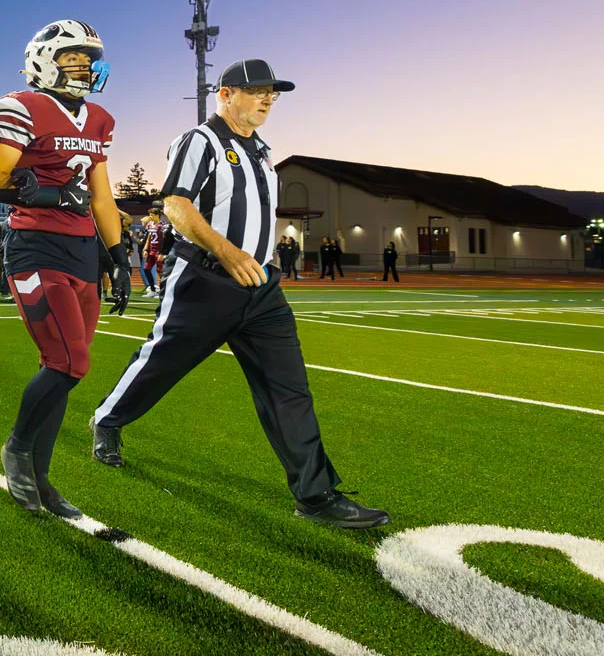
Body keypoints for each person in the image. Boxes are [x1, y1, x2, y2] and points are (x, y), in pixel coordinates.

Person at [88, 60, 389, 529]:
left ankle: (316, 495)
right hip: (206, 280)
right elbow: (175, 204)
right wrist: (227, 252)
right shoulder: (200, 141)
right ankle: (108, 419)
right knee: (162, 363)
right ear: (225, 94)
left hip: (261, 288)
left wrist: (262, 263)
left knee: (289, 390)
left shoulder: (263, 151)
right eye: (257, 91)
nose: (268, 99)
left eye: (273, 93)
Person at [0, 20, 128, 519]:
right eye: (72, 57)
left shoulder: (100, 118)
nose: (83, 67)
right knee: (69, 360)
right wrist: (49, 191)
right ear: (44, 58)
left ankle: (41, 480)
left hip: (82, 249)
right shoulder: (23, 106)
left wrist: (120, 255)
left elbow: (102, 195)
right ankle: (18, 448)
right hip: (35, 244)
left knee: (63, 367)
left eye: (89, 58)